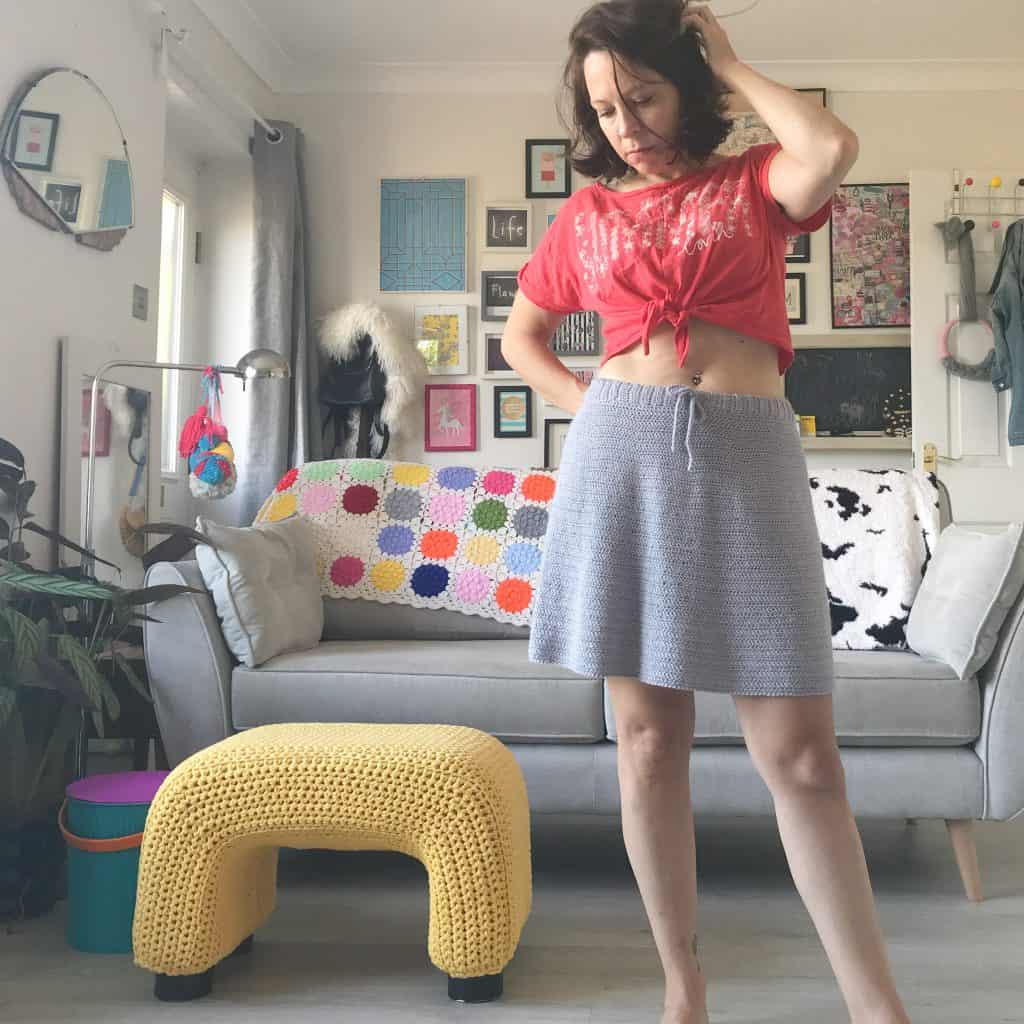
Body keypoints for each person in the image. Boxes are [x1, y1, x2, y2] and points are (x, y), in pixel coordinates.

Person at [500, 2, 913, 1023]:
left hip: (744, 452)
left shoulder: (753, 184)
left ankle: (877, 1008)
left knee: (802, 756)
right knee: (646, 739)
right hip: (619, 454)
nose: (625, 121)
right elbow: (524, 337)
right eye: (605, 105)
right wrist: (591, 403)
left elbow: (828, 144)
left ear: (687, 87)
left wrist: (728, 61)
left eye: (640, 93)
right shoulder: (584, 217)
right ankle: (683, 990)